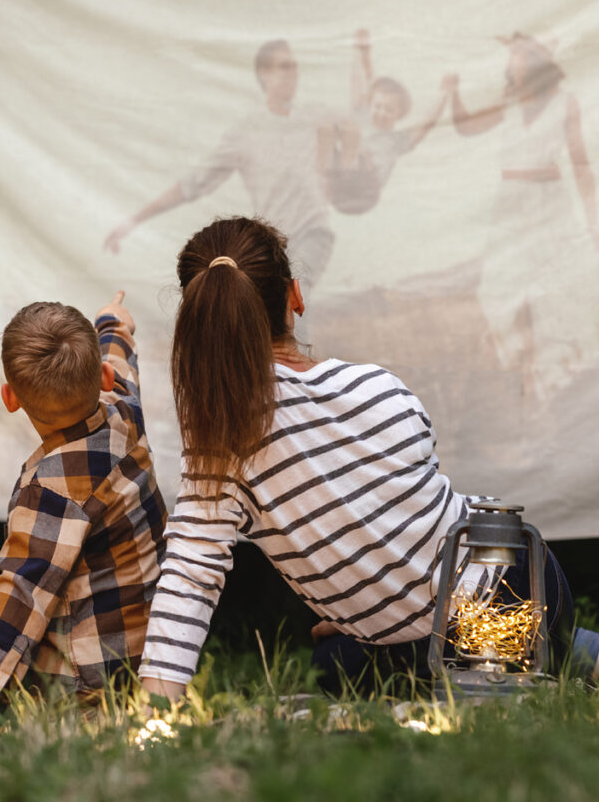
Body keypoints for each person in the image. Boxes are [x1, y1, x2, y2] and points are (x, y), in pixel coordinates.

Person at [137, 217, 573, 698]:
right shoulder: (379, 386)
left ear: (201, 321)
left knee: (365, 666)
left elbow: (190, 572)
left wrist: (156, 705)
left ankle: (545, 658)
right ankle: (565, 649)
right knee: (335, 660)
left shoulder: (223, 442)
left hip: (472, 634)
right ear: (295, 297)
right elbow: (403, 519)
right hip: (525, 579)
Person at [0, 292, 166, 722]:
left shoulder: (49, 493)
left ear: (10, 398)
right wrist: (114, 323)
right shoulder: (125, 410)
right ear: (104, 376)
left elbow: (19, 603)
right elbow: (120, 360)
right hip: (154, 661)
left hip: (90, 690)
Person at [104, 40, 335, 288]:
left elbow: (343, 147)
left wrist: (326, 158)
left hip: (312, 231)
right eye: (284, 67)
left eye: (294, 67)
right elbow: (193, 184)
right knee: (277, 313)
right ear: (264, 74)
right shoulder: (246, 132)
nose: (293, 74)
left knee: (298, 301)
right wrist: (135, 220)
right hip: (274, 242)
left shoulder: (313, 118)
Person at [452, 32, 599, 400]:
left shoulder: (564, 102)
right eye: (510, 60)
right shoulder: (509, 101)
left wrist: (593, 215)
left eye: (519, 58)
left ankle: (552, 377)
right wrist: (453, 92)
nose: (512, 65)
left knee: (553, 286)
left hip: (550, 200)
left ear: (535, 64)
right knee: (501, 285)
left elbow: (580, 162)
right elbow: (466, 127)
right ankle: (522, 368)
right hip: (512, 200)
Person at [316, 29, 455, 215]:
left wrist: (445, 94)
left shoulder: (396, 142)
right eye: (378, 106)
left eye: (389, 110)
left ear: (399, 115)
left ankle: (343, 175)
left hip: (364, 196)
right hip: (340, 187)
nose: (381, 112)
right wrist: (361, 52)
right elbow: (360, 82)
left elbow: (426, 125)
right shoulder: (361, 117)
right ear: (371, 104)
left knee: (352, 148)